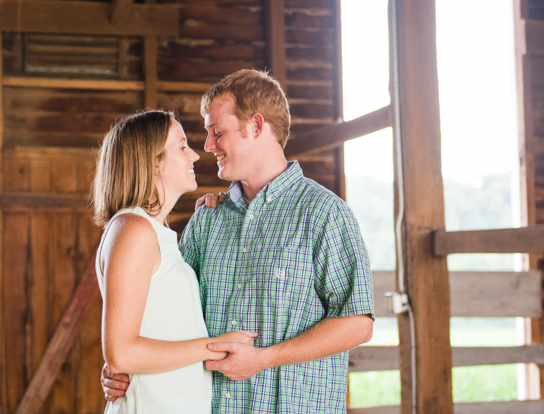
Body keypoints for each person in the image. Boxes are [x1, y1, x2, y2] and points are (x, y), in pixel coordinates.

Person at [102, 70, 375, 413]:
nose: (207, 146)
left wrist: (263, 358)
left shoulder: (324, 214)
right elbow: (167, 315)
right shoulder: (208, 219)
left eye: (217, 132)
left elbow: (358, 323)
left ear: (256, 126)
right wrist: (128, 369)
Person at [93, 110, 256, 414]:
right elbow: (121, 353)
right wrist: (216, 345)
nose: (194, 155)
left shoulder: (156, 233)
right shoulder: (133, 230)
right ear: (154, 161)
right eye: (182, 147)